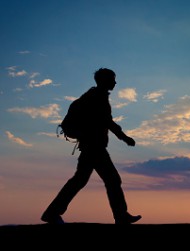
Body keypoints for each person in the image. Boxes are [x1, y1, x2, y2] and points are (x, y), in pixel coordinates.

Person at [41, 68, 142, 225]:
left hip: (91, 146)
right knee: (112, 179)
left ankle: (52, 213)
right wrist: (124, 138)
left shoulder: (93, 96)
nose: (115, 82)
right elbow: (108, 122)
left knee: (80, 180)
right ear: (103, 80)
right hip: (94, 147)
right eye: (112, 79)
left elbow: (106, 121)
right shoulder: (97, 98)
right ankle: (121, 216)